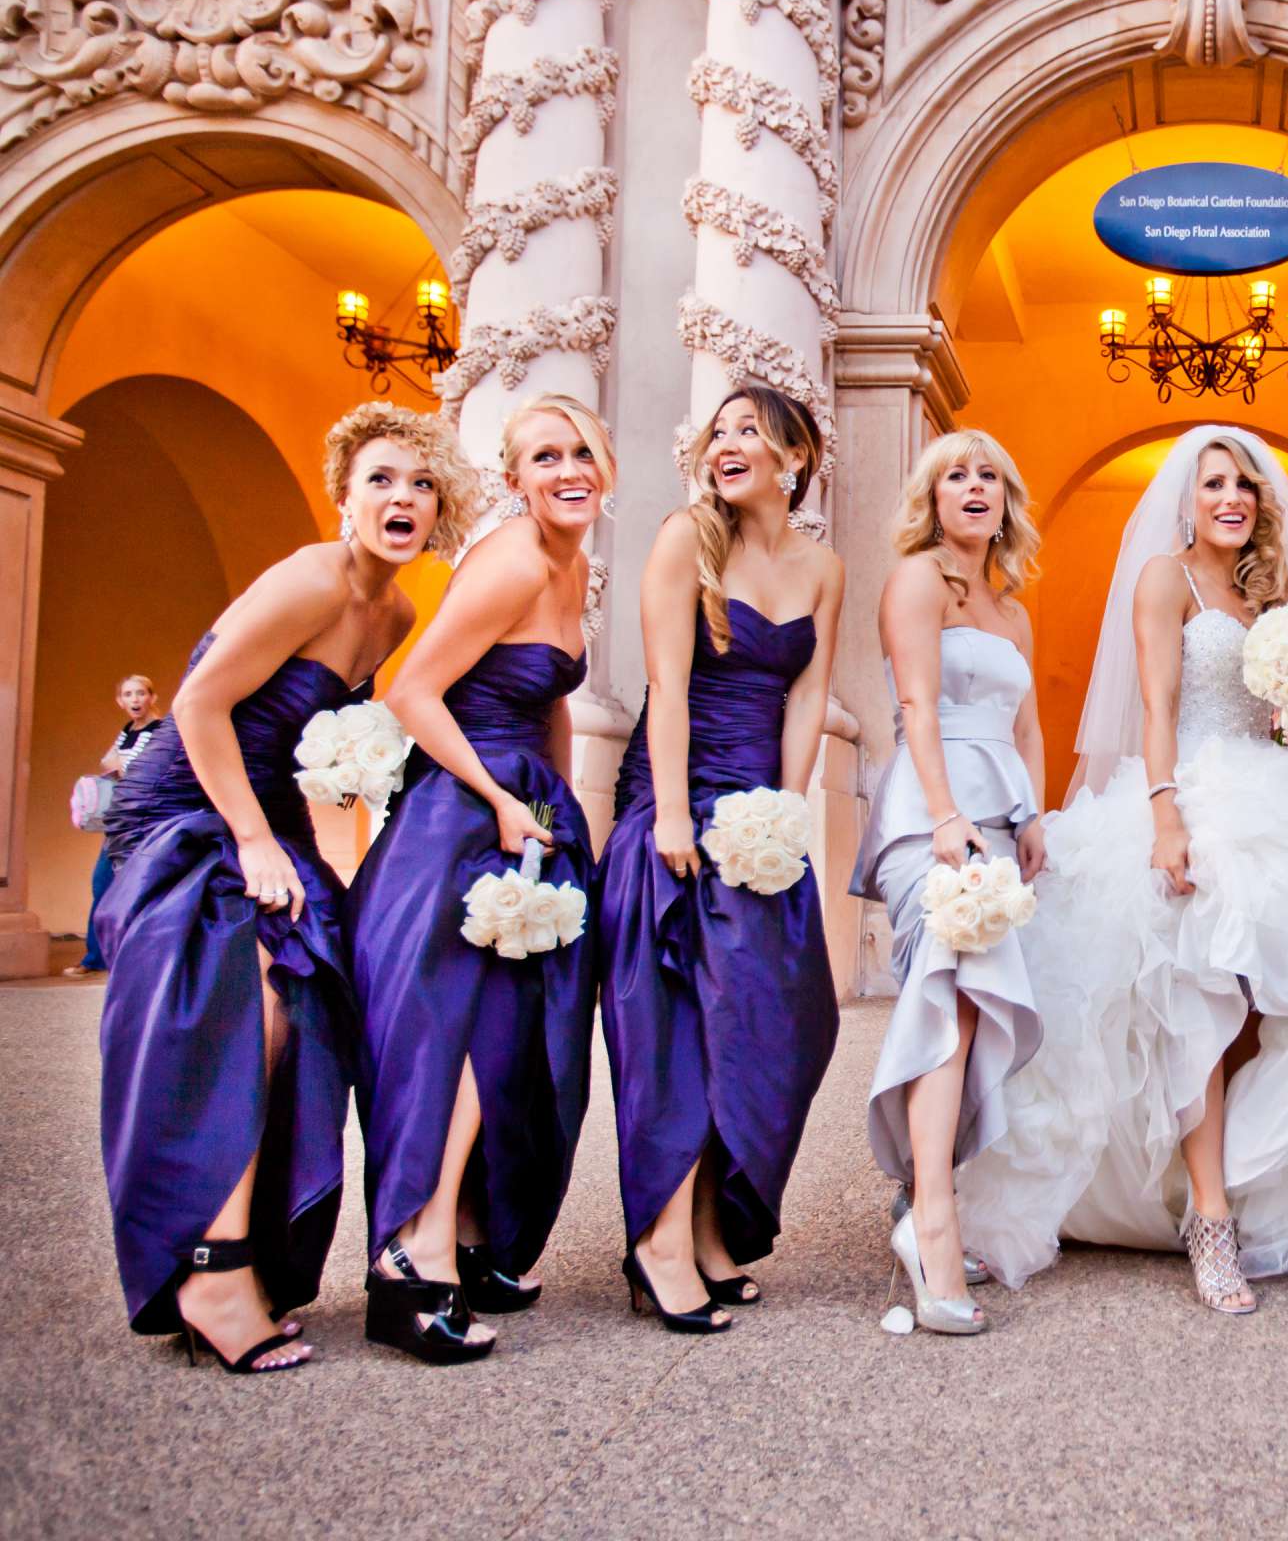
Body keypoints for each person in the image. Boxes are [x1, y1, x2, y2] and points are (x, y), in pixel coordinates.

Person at [966, 425, 1288, 1311]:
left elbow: (1282, 724)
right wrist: (1167, 816)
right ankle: (1210, 1219)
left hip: (1274, 788)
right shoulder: (1164, 577)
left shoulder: (1266, 595)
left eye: (1244, 486)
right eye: (1213, 486)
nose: (1231, 499)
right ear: (1188, 500)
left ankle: (1257, 1178)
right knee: (1197, 989)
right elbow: (1159, 703)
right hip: (1189, 791)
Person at [94, 401, 475, 1372]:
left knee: (315, 1009)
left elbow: (318, 742)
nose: (403, 497)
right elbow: (198, 705)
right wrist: (258, 843)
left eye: (422, 483)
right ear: (343, 496)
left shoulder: (396, 612)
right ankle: (211, 1268)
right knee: (253, 1005)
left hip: (269, 809)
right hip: (189, 806)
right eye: (381, 479)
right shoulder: (313, 578)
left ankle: (255, 1254)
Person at [349, 393, 610, 1364]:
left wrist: (559, 805)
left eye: (581, 450)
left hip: (525, 808)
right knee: (457, 1037)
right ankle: (409, 1260)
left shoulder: (572, 561)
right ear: (514, 480)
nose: (567, 468)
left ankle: (467, 1236)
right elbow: (411, 692)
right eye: (545, 456)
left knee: (506, 1038)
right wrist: (503, 801)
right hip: (461, 813)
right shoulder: (507, 557)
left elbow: (549, 697)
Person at [597, 384, 844, 1331]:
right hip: (678, 803)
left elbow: (808, 698)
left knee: (774, 1025)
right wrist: (667, 817)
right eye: (719, 432)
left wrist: (785, 816)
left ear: (795, 456)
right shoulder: (684, 541)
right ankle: (660, 1243)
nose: (727, 444)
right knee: (679, 1033)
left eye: (750, 431)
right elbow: (667, 688)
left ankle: (709, 1228)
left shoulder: (822, 566)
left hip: (761, 821)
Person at [850, 429, 1046, 1336]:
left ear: (1006, 499)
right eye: (955, 477)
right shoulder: (918, 581)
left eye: (989, 478)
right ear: (931, 500)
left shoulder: (1010, 608)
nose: (974, 489)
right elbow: (919, 707)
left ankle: (922, 1203)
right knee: (945, 999)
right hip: (932, 815)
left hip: (998, 818)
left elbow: (1025, 726)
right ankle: (932, 1221)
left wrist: (1034, 814)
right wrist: (941, 818)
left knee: (972, 1014)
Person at [67, 674, 166, 977]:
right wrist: (121, 766)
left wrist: (123, 767)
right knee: (103, 885)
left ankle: (141, 958)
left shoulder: (160, 730)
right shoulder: (128, 731)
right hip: (120, 820)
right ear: (120, 701)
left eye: (140, 693)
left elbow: (151, 769)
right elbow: (108, 762)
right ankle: (96, 957)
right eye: (128, 694)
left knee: (141, 888)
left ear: (152, 697)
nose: (135, 699)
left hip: (145, 820)